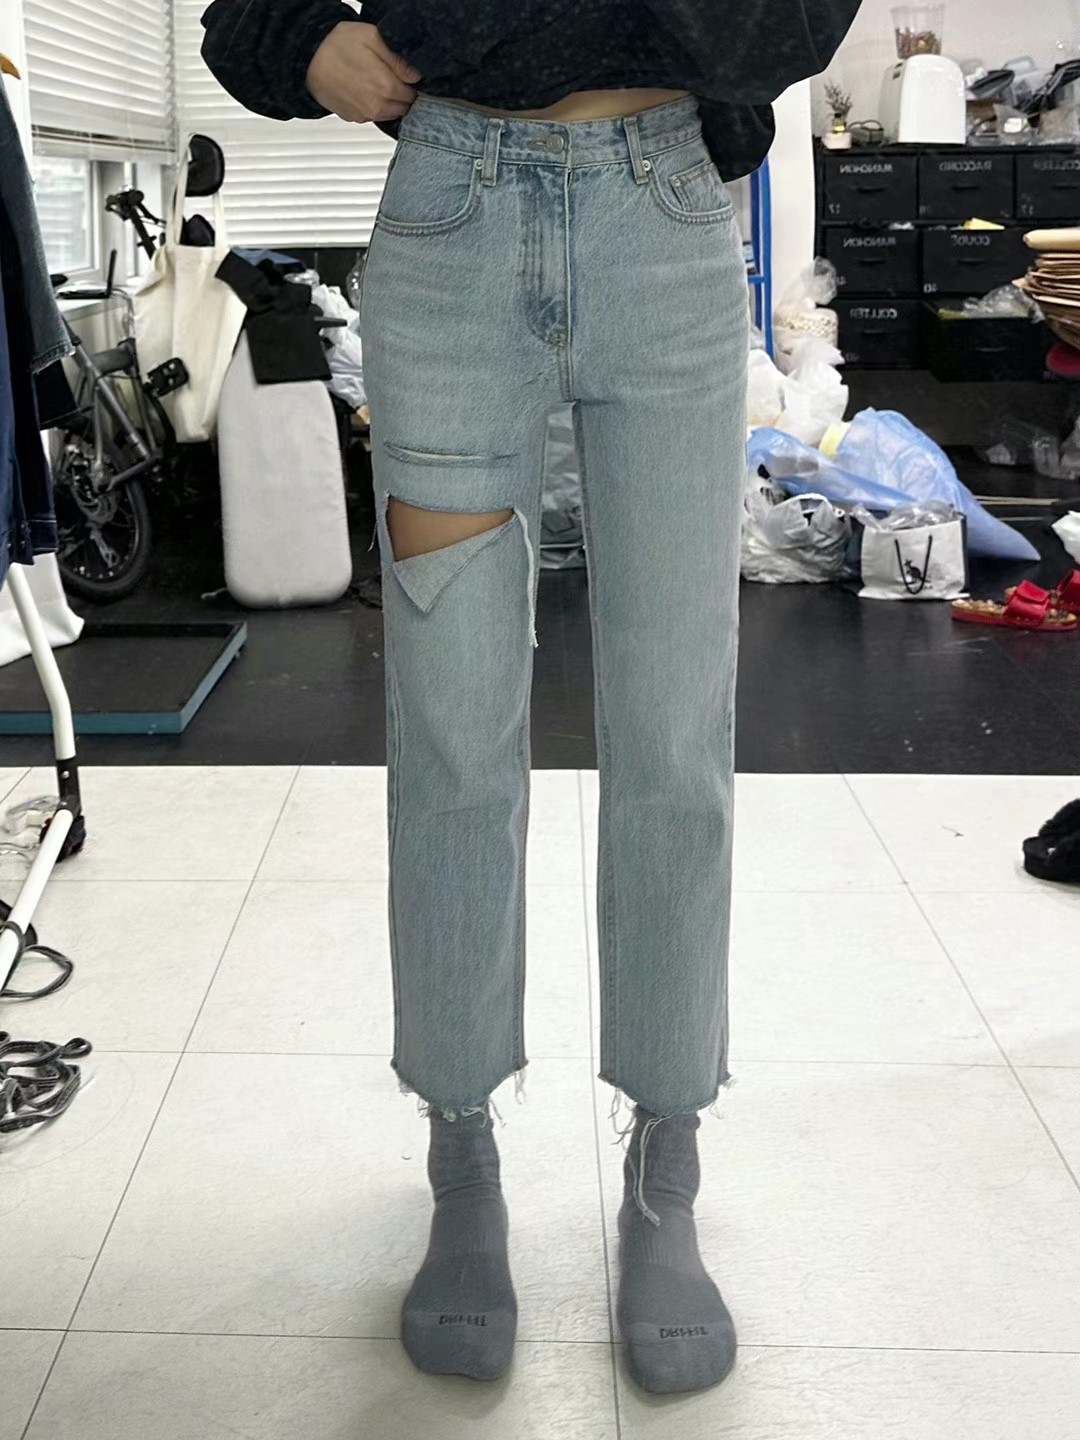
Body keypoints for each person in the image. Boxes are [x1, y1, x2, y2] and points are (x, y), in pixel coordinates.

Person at [201, 0, 862, 1396]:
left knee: (674, 729)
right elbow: (240, 18)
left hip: (662, 213)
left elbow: (797, 23)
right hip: (451, 218)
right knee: (450, 729)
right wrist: (299, 34)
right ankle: (460, 1148)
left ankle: (668, 1157)